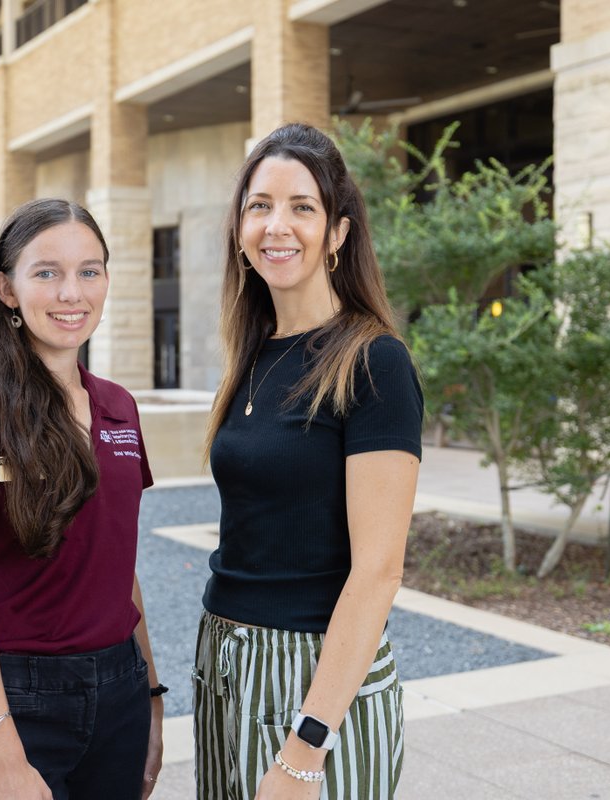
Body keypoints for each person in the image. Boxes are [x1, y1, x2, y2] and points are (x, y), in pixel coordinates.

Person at [0, 198, 164, 800]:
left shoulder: (119, 407)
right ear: (8, 289)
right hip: (17, 698)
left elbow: (119, 566)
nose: (72, 292)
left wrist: (150, 699)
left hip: (120, 688)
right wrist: (3, 753)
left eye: (89, 271)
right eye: (47, 272)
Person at [194, 123, 423, 799]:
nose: (277, 225)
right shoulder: (251, 356)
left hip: (315, 677)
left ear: (338, 233)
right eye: (260, 205)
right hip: (226, 662)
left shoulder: (373, 361)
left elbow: (378, 572)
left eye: (303, 206)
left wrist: (306, 746)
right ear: (239, 228)